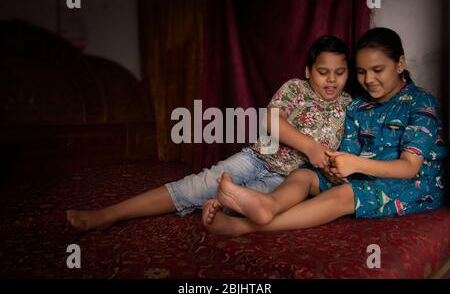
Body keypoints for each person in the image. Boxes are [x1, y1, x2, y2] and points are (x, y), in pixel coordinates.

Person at [67, 35, 352, 232]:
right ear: (308, 71)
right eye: (323, 72)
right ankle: (108, 214)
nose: (331, 80)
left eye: (339, 73)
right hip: (256, 158)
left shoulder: (349, 106)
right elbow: (270, 122)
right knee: (194, 185)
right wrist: (312, 148)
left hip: (285, 181)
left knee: (242, 203)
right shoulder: (295, 88)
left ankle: (221, 209)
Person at [202, 27, 447, 236]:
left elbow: (409, 167)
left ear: (400, 64)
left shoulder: (421, 103)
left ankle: (243, 226)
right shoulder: (358, 106)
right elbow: (349, 150)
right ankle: (268, 204)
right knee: (304, 174)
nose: (369, 79)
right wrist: (335, 165)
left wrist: (355, 164)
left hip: (411, 185)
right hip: (362, 175)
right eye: (361, 72)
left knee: (344, 194)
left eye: (377, 69)